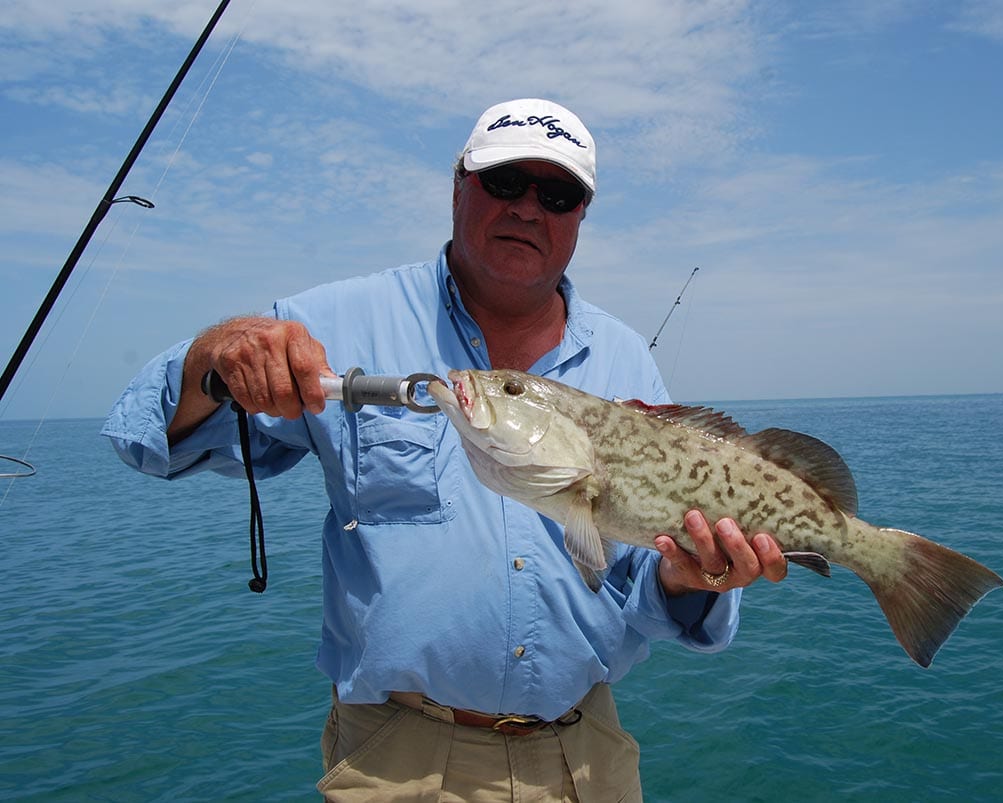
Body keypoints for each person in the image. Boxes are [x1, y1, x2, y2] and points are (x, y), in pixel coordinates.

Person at [104, 98, 788, 802]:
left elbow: (639, 585)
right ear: (458, 183)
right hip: (399, 762)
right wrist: (216, 355)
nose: (528, 208)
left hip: (588, 759)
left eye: (556, 194)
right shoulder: (337, 323)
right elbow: (147, 438)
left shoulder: (625, 362)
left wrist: (689, 579)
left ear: (580, 216)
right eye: (503, 182)